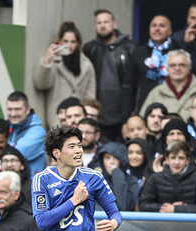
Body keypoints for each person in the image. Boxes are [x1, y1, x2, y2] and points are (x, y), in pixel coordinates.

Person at [83, 9, 136, 142]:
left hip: (123, 113)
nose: (102, 25)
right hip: (98, 114)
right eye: (99, 22)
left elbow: (134, 83)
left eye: (106, 22)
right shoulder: (89, 49)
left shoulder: (130, 48)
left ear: (114, 24)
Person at [33, 22, 96, 128]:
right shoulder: (54, 61)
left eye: (73, 41)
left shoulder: (86, 64)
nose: (69, 45)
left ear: (78, 43)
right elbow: (41, 84)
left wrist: (86, 115)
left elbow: (90, 94)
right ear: (59, 42)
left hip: (79, 116)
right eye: (65, 41)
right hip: (58, 116)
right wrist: (47, 60)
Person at [139, 50, 196, 125]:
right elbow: (143, 121)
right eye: (173, 65)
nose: (177, 68)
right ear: (167, 68)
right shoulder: (156, 93)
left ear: (189, 67)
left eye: (182, 65)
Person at [138, 140, 196, 213]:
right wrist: (168, 208)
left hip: (191, 225)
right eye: (173, 158)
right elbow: (143, 205)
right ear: (167, 160)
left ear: (187, 160)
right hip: (161, 224)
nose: (176, 162)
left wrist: (177, 209)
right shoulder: (154, 178)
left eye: (181, 158)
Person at [121, 15, 174, 118]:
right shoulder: (138, 52)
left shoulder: (177, 51)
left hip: (171, 107)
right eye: (154, 25)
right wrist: (126, 118)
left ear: (170, 31)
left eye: (162, 26)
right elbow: (129, 87)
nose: (157, 29)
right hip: (144, 108)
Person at [6, 91, 46, 177]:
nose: (13, 114)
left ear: (27, 110)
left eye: (17, 109)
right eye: (10, 109)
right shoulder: (7, 127)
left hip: (32, 186)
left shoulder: (39, 132)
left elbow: (15, 153)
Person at [95, 142, 138, 211]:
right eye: (107, 158)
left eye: (116, 158)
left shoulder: (131, 180)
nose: (111, 162)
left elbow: (125, 206)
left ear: (122, 160)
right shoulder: (97, 180)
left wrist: (117, 175)